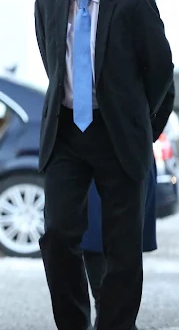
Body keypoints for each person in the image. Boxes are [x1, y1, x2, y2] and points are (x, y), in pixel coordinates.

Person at [34, 0, 174, 330]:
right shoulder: (47, 0)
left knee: (122, 245)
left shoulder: (134, 4)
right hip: (65, 135)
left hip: (117, 137)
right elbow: (53, 63)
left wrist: (141, 126)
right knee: (58, 235)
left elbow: (161, 74)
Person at [81, 82, 175, 329]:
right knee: (91, 241)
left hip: (127, 150)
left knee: (123, 245)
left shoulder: (132, 43)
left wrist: (143, 131)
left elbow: (164, 81)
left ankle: (118, 320)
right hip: (83, 151)